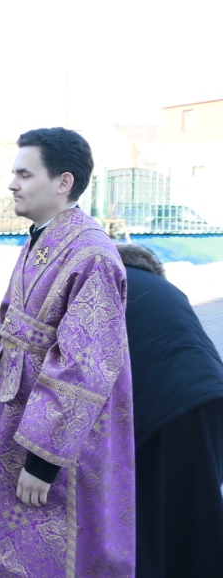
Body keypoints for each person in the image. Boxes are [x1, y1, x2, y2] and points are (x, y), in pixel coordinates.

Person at [0, 127, 135, 578]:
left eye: (24, 174)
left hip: (53, 445)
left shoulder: (92, 255)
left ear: (63, 182)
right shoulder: (43, 235)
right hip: (11, 416)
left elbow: (85, 364)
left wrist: (44, 459)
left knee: (36, 552)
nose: (12, 184)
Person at [115, 244, 223, 578]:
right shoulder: (167, 288)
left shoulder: (111, 282)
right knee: (198, 500)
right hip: (212, 395)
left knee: (152, 510)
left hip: (166, 406)